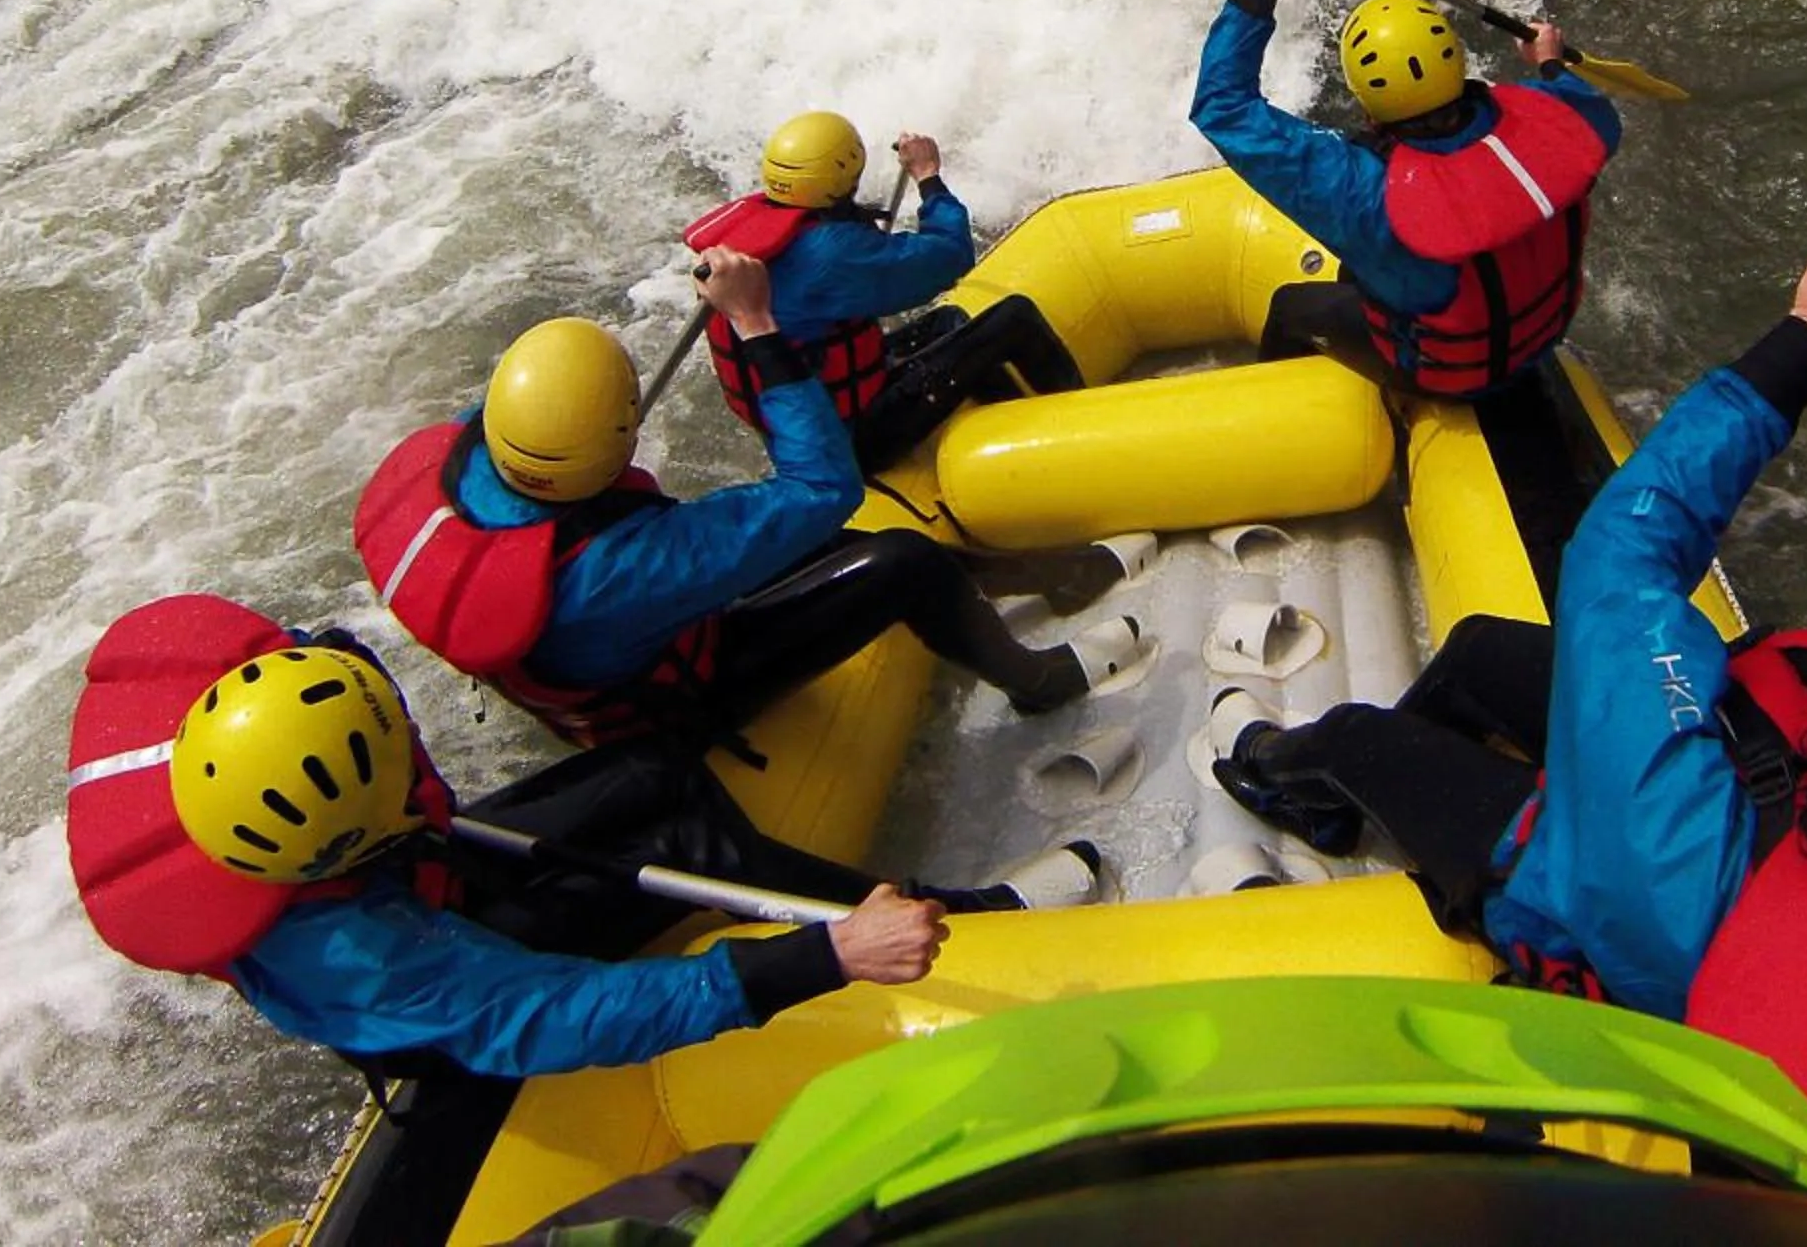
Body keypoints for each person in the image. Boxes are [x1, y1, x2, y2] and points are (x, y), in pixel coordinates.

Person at [1209, 237, 1807, 1191]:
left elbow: (1626, 550)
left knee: (1359, 741)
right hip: (1744, 847)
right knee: (1478, 655)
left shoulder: (1667, 822)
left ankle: (1269, 772)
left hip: (1624, 889)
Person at [65, 591, 993, 1084]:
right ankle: (936, 918)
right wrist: (827, 957)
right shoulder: (365, 958)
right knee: (689, 845)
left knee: (654, 771)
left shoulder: (220, 743)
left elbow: (311, 663)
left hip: (405, 870)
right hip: (422, 980)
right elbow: (561, 1014)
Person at [354, 249, 1140, 763]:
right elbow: (822, 489)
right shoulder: (625, 565)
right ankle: (1038, 681)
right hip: (672, 691)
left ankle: (1031, 575)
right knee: (903, 561)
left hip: (598, 647)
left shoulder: (456, 454)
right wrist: (755, 321)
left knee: (820, 546)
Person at [1190, 0, 1622, 402]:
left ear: (1368, 108)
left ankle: (1288, 413)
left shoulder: (1361, 192)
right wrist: (1548, 62)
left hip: (1446, 376)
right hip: (1539, 339)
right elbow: (1574, 94)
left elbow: (1223, 107)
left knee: (1291, 306)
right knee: (1358, 270)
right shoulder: (1565, 118)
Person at [684, 112, 1083, 472]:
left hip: (800, 429)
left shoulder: (747, 233)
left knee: (949, 322)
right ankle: (1082, 427)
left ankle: (1016, 433)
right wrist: (928, 176)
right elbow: (951, 256)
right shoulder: (830, 253)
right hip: (853, 442)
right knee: (1013, 318)